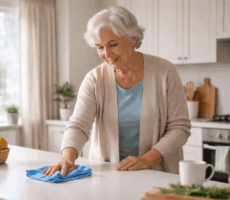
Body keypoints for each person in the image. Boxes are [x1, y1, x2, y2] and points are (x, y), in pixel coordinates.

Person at [42, 5, 191, 178]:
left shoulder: (165, 71)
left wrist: (146, 160)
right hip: (108, 175)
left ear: (133, 38)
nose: (106, 54)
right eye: (99, 47)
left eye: (113, 45)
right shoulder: (95, 79)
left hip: (157, 173)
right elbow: (78, 125)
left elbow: (179, 128)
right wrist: (67, 158)